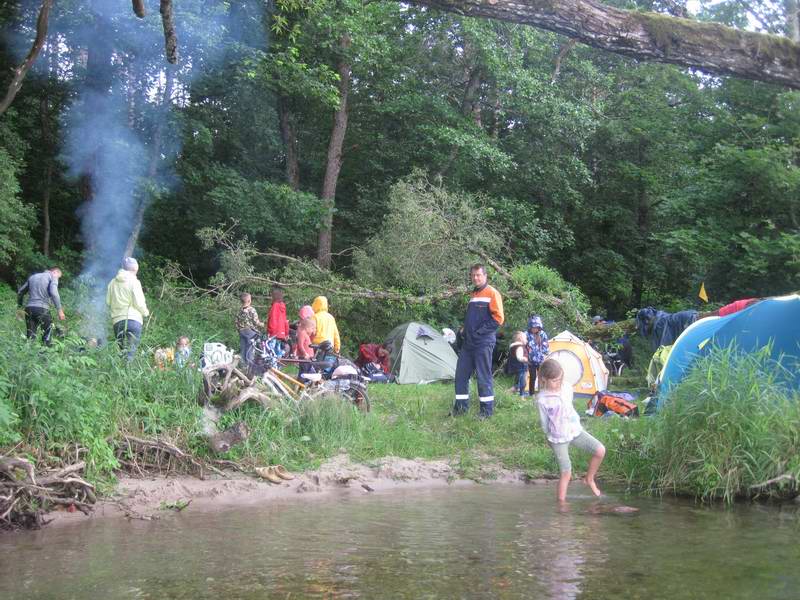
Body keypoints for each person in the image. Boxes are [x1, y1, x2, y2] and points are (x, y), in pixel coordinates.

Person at [536, 358, 605, 502]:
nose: (558, 383)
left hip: (574, 431)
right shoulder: (542, 399)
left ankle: (589, 479)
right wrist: (549, 437)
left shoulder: (567, 388)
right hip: (558, 438)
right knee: (566, 472)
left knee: (600, 450)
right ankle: (561, 507)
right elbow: (544, 422)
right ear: (544, 379)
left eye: (560, 379)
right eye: (554, 380)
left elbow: (569, 407)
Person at [452, 264, 504, 419]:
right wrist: (463, 331)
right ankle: (460, 409)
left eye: (478, 275)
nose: (475, 277)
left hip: (483, 343)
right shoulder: (473, 294)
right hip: (468, 344)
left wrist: (478, 333)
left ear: (485, 276)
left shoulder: (492, 293)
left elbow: (498, 319)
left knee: (483, 377)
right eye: (473, 275)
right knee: (461, 376)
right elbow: (472, 320)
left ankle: (486, 412)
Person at [106, 257, 149, 361]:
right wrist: (146, 312)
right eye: (136, 271)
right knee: (130, 353)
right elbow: (138, 302)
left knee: (123, 352)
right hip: (133, 320)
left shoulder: (112, 283)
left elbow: (108, 302)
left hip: (117, 322)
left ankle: (120, 374)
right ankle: (127, 374)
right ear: (134, 269)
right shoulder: (134, 281)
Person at [17, 267, 65, 345]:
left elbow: (20, 292)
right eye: (58, 277)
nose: (57, 279)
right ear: (55, 272)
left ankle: (28, 353)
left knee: (30, 338)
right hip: (42, 309)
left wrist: (19, 307)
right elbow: (54, 292)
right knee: (47, 338)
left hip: (29, 309)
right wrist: (60, 310)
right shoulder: (53, 277)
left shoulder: (33, 277)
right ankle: (45, 355)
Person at [235, 292, 264, 362]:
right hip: (250, 331)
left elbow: (236, 322)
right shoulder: (252, 310)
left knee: (243, 348)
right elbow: (256, 322)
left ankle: (243, 365)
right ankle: (250, 365)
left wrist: (239, 329)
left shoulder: (239, 311)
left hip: (241, 331)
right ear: (249, 301)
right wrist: (263, 324)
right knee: (250, 349)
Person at [526, 315, 549, 394]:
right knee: (532, 377)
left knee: (541, 377)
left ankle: (541, 392)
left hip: (541, 361)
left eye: (536, 327)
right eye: (533, 327)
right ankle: (531, 393)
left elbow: (545, 346)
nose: (534, 329)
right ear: (530, 327)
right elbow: (522, 344)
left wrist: (545, 356)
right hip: (531, 361)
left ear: (539, 327)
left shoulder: (543, 334)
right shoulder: (527, 334)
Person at [266, 286, 290, 358]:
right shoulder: (283, 305)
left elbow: (273, 320)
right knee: (277, 349)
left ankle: (272, 367)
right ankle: (277, 365)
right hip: (281, 333)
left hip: (274, 333)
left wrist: (269, 331)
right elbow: (285, 321)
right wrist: (286, 333)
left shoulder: (275, 306)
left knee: (270, 350)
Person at [508, 331, 529, 397]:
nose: (526, 340)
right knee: (522, 382)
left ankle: (521, 393)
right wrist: (524, 359)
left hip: (517, 368)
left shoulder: (514, 347)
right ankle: (512, 392)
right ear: (520, 339)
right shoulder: (519, 347)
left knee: (519, 381)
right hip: (521, 367)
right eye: (525, 338)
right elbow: (519, 357)